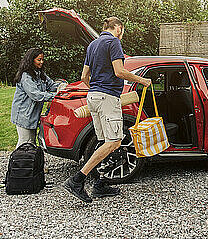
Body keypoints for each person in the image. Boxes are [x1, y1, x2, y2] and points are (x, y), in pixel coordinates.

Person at [63, 16, 151, 203]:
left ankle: (101, 183)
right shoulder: (114, 42)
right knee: (113, 142)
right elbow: (119, 71)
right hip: (107, 98)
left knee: (104, 141)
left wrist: (95, 88)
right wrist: (143, 80)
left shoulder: (93, 45)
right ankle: (77, 180)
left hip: (93, 97)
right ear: (118, 28)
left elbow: (84, 76)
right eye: (122, 30)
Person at [10, 48, 60, 148]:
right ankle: (18, 163)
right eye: (39, 59)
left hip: (32, 115)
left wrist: (63, 86)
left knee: (31, 143)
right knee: (25, 143)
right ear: (31, 60)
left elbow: (52, 85)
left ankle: (30, 163)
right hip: (24, 115)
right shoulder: (26, 77)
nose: (41, 62)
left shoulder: (40, 74)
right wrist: (55, 96)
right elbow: (36, 95)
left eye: (42, 59)